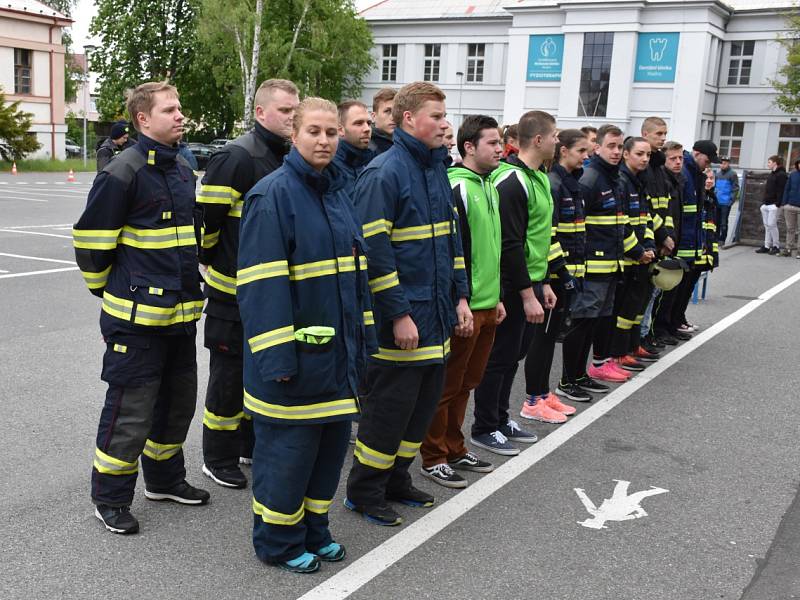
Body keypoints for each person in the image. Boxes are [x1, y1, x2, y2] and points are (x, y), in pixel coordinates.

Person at [237, 97, 374, 573]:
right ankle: (277, 542)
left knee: (326, 457)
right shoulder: (271, 196)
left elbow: (357, 282)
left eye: (331, 132)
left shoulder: (340, 192)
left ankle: (315, 531)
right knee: (286, 462)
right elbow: (261, 289)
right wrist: (277, 361)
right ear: (293, 134)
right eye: (313, 131)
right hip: (292, 369)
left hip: (337, 364)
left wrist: (364, 347)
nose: (324, 140)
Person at [73, 82, 208, 535]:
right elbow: (92, 246)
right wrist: (114, 293)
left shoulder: (183, 168)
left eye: (180, 107)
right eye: (170, 109)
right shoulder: (123, 171)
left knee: (176, 406)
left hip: (180, 317)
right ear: (142, 120)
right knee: (130, 413)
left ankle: (165, 481)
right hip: (135, 324)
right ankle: (109, 498)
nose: (180, 115)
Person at [345, 82, 472, 526]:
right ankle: (364, 491)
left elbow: (452, 242)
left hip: (435, 315)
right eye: (436, 116)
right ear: (408, 120)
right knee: (387, 413)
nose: (445, 123)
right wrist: (398, 314)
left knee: (419, 412)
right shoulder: (385, 173)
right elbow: (374, 255)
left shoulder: (436, 169)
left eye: (444, 114)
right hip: (402, 319)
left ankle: (396, 479)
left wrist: (460, 297)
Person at [197, 79, 299, 489]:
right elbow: (206, 224)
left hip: (266, 294)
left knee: (258, 373)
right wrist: (210, 264)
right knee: (227, 378)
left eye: (295, 110)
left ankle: (244, 444)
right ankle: (217, 456)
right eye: (285, 110)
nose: (292, 116)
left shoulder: (283, 156)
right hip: (231, 294)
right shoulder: (237, 156)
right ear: (260, 113)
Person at [419, 115, 504, 489]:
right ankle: (433, 456)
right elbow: (456, 252)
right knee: (446, 385)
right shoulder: (457, 187)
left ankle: (455, 447)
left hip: (488, 303)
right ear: (469, 147)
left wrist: (496, 297)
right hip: (464, 305)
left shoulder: (490, 186)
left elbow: (491, 250)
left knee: (468, 382)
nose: (501, 149)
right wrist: (461, 300)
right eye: (493, 143)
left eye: (501, 142)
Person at [470, 110, 559, 455]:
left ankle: (501, 417)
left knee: (513, 357)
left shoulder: (538, 178)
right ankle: (483, 426)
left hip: (532, 283)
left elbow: (539, 237)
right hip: (511, 286)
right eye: (554, 135)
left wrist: (546, 282)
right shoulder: (511, 181)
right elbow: (509, 244)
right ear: (538, 139)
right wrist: (526, 294)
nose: (557, 141)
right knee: (499, 357)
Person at [577, 125, 638, 383]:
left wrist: (634, 250)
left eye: (619, 147)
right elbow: (577, 227)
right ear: (597, 147)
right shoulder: (590, 179)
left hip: (613, 263)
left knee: (603, 318)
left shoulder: (616, 179)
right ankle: (574, 375)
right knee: (585, 322)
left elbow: (620, 222)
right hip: (593, 265)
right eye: (611, 146)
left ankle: (599, 364)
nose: (616, 152)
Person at [550, 130, 595, 403]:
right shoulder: (555, 184)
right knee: (544, 343)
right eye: (581, 151)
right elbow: (550, 235)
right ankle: (547, 392)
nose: (586, 156)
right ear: (564, 150)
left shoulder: (573, 183)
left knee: (574, 328)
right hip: (557, 274)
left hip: (572, 271)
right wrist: (563, 272)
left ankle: (565, 382)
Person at [607, 137, 656, 374]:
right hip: (627, 257)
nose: (645, 158)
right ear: (627, 154)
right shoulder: (622, 181)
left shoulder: (638, 181)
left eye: (647, 154)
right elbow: (622, 223)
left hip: (640, 255)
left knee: (635, 306)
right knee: (622, 309)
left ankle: (629, 347)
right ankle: (617, 353)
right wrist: (637, 251)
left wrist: (649, 246)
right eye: (639, 154)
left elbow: (643, 219)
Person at [638, 117, 674, 356]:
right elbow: (647, 208)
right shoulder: (646, 169)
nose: (662, 138)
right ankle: (639, 338)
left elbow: (665, 206)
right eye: (658, 133)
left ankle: (645, 334)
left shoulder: (659, 168)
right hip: (648, 240)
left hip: (659, 240)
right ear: (645, 134)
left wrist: (667, 234)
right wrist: (662, 236)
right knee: (642, 296)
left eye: (664, 133)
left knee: (653, 293)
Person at [332, 100, 374, 198]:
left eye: (369, 123)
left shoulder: (370, 164)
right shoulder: (330, 169)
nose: (367, 128)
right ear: (340, 130)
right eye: (359, 123)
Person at [756, 155, 788, 255]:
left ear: (775, 162)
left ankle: (776, 246)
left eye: (769, 162)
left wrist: (777, 204)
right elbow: (768, 189)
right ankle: (766, 246)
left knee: (771, 224)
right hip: (766, 204)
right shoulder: (772, 174)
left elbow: (782, 190)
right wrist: (763, 202)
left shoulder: (782, 175)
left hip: (775, 205)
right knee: (767, 226)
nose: (768, 164)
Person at [714, 156, 739, 246]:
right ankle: (715, 238)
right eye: (721, 163)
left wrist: (731, 201)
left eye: (724, 163)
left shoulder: (732, 174)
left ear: (728, 163)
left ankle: (722, 239)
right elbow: (715, 187)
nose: (722, 165)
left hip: (726, 202)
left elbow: (735, 188)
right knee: (716, 221)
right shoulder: (717, 174)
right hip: (717, 202)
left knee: (724, 222)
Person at [369, 87, 396, 155]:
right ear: (373, 116)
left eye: (396, 111)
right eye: (387, 111)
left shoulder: (406, 144)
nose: (393, 117)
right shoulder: (366, 146)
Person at [782, 159, 800, 257]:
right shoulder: (793, 175)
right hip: (790, 206)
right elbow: (787, 189)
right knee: (790, 229)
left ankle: (799, 251)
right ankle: (788, 248)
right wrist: (785, 204)